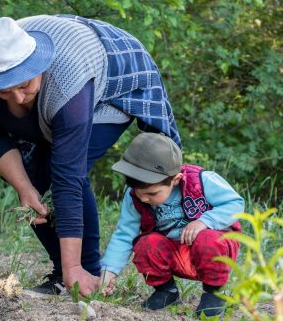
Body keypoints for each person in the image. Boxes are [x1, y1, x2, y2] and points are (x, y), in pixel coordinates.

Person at [0, 14, 182, 296]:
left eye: (24, 85)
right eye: (5, 91)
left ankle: (83, 273)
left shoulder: (69, 78)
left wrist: (73, 266)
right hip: (65, 80)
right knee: (32, 180)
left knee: (58, 175)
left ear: (37, 65)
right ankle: (64, 273)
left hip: (114, 80)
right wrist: (24, 188)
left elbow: (68, 176)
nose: (17, 98)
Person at [100, 133, 244, 317]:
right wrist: (108, 271)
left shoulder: (202, 180)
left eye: (152, 193)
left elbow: (236, 204)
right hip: (174, 253)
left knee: (207, 239)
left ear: (175, 179)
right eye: (139, 192)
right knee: (145, 244)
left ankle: (214, 294)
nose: (144, 198)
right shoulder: (135, 196)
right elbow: (124, 235)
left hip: (213, 249)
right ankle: (166, 291)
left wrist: (204, 221)